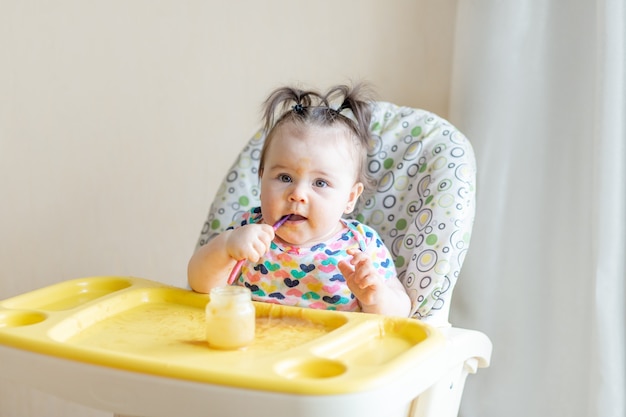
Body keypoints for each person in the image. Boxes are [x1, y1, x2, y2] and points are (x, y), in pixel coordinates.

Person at [188, 83, 410, 317]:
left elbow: (401, 312)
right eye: (285, 177)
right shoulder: (247, 232)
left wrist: (376, 296)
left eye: (320, 183)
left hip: (331, 351)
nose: (298, 194)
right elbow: (199, 285)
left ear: (350, 197)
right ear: (261, 179)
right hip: (254, 348)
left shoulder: (361, 246)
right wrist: (226, 247)